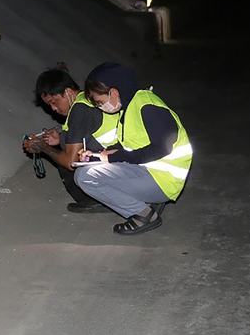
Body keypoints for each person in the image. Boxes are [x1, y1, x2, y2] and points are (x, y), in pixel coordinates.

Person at [73, 62, 192, 235]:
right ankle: (148, 201)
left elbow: (160, 149)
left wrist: (112, 158)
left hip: (164, 180)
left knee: (85, 177)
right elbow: (129, 145)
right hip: (150, 171)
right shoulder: (131, 104)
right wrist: (98, 155)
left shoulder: (149, 108)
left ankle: (143, 214)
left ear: (113, 92)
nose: (100, 107)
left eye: (100, 102)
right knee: (91, 168)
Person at [21, 68, 120, 213]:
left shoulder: (79, 110)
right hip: (121, 158)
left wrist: (44, 148)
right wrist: (59, 139)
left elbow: (71, 162)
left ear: (67, 92)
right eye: (49, 105)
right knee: (65, 148)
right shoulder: (87, 99)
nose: (53, 109)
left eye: (54, 102)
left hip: (114, 165)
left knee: (65, 158)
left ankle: (98, 200)